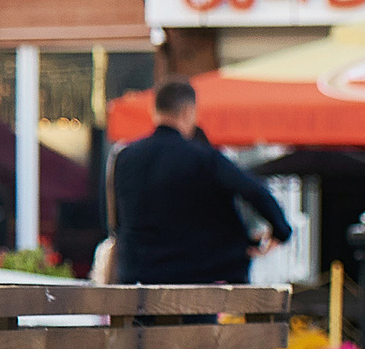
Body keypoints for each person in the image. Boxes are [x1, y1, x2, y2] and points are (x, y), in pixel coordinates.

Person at [109, 79, 292, 282]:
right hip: (194, 278)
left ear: (155, 111)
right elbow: (254, 190)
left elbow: (113, 219)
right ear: (189, 111)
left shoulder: (124, 157)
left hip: (137, 277)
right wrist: (280, 230)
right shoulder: (204, 158)